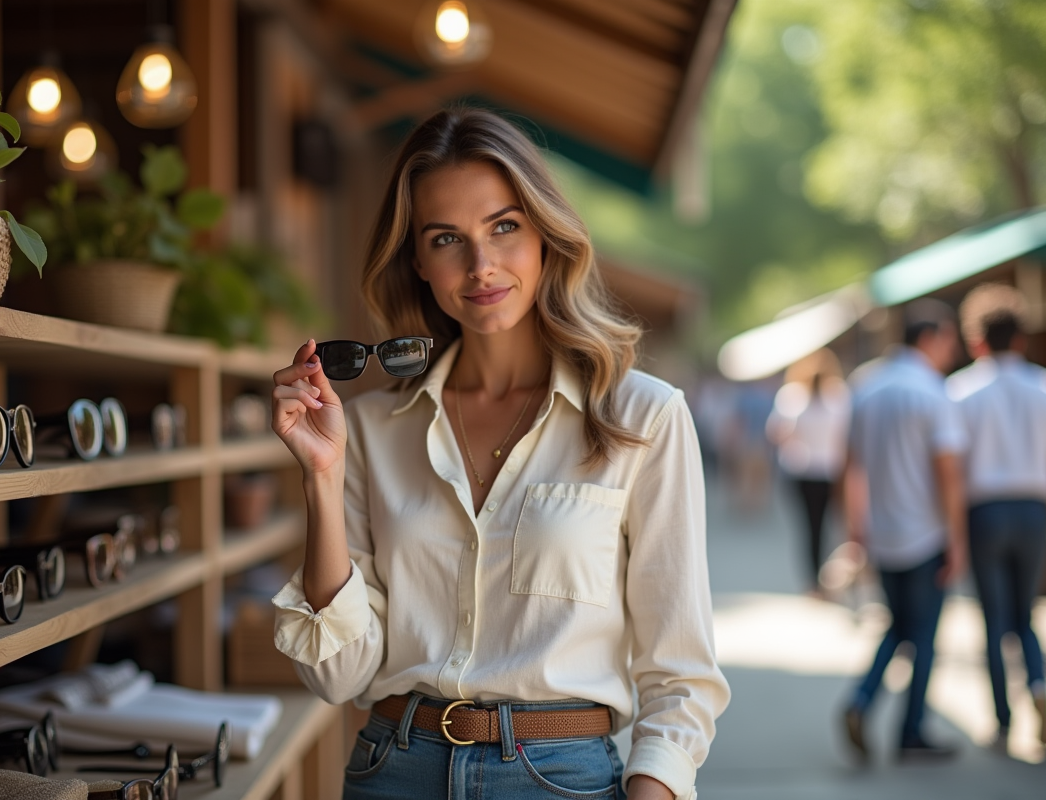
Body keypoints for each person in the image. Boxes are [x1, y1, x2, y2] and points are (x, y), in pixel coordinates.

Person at [269, 107, 729, 800]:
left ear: (545, 234)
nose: (481, 265)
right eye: (447, 238)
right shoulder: (366, 431)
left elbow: (681, 675)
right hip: (392, 771)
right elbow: (339, 676)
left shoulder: (643, 417)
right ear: (417, 260)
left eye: (504, 227)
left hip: (562, 777)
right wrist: (322, 478)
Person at [840, 299, 968, 761]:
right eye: (950, 338)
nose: (953, 350)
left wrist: (856, 528)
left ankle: (861, 699)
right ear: (931, 337)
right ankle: (911, 730)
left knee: (898, 626)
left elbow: (850, 467)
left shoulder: (867, 386)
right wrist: (958, 538)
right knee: (924, 635)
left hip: (882, 532)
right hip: (926, 534)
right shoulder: (933, 391)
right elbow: (948, 473)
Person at [946, 283, 1046, 749]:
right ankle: (1038, 686)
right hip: (1032, 508)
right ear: (1021, 338)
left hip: (984, 510)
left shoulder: (961, 391)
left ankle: (1003, 720)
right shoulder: (1045, 387)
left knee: (993, 618)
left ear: (977, 339)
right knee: (1025, 614)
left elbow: (952, 466)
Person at [765, 349, 851, 595]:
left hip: (801, 471)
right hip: (831, 470)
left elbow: (776, 433)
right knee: (831, 526)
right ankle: (831, 576)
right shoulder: (839, 396)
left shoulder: (791, 395)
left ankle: (813, 581)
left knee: (810, 528)